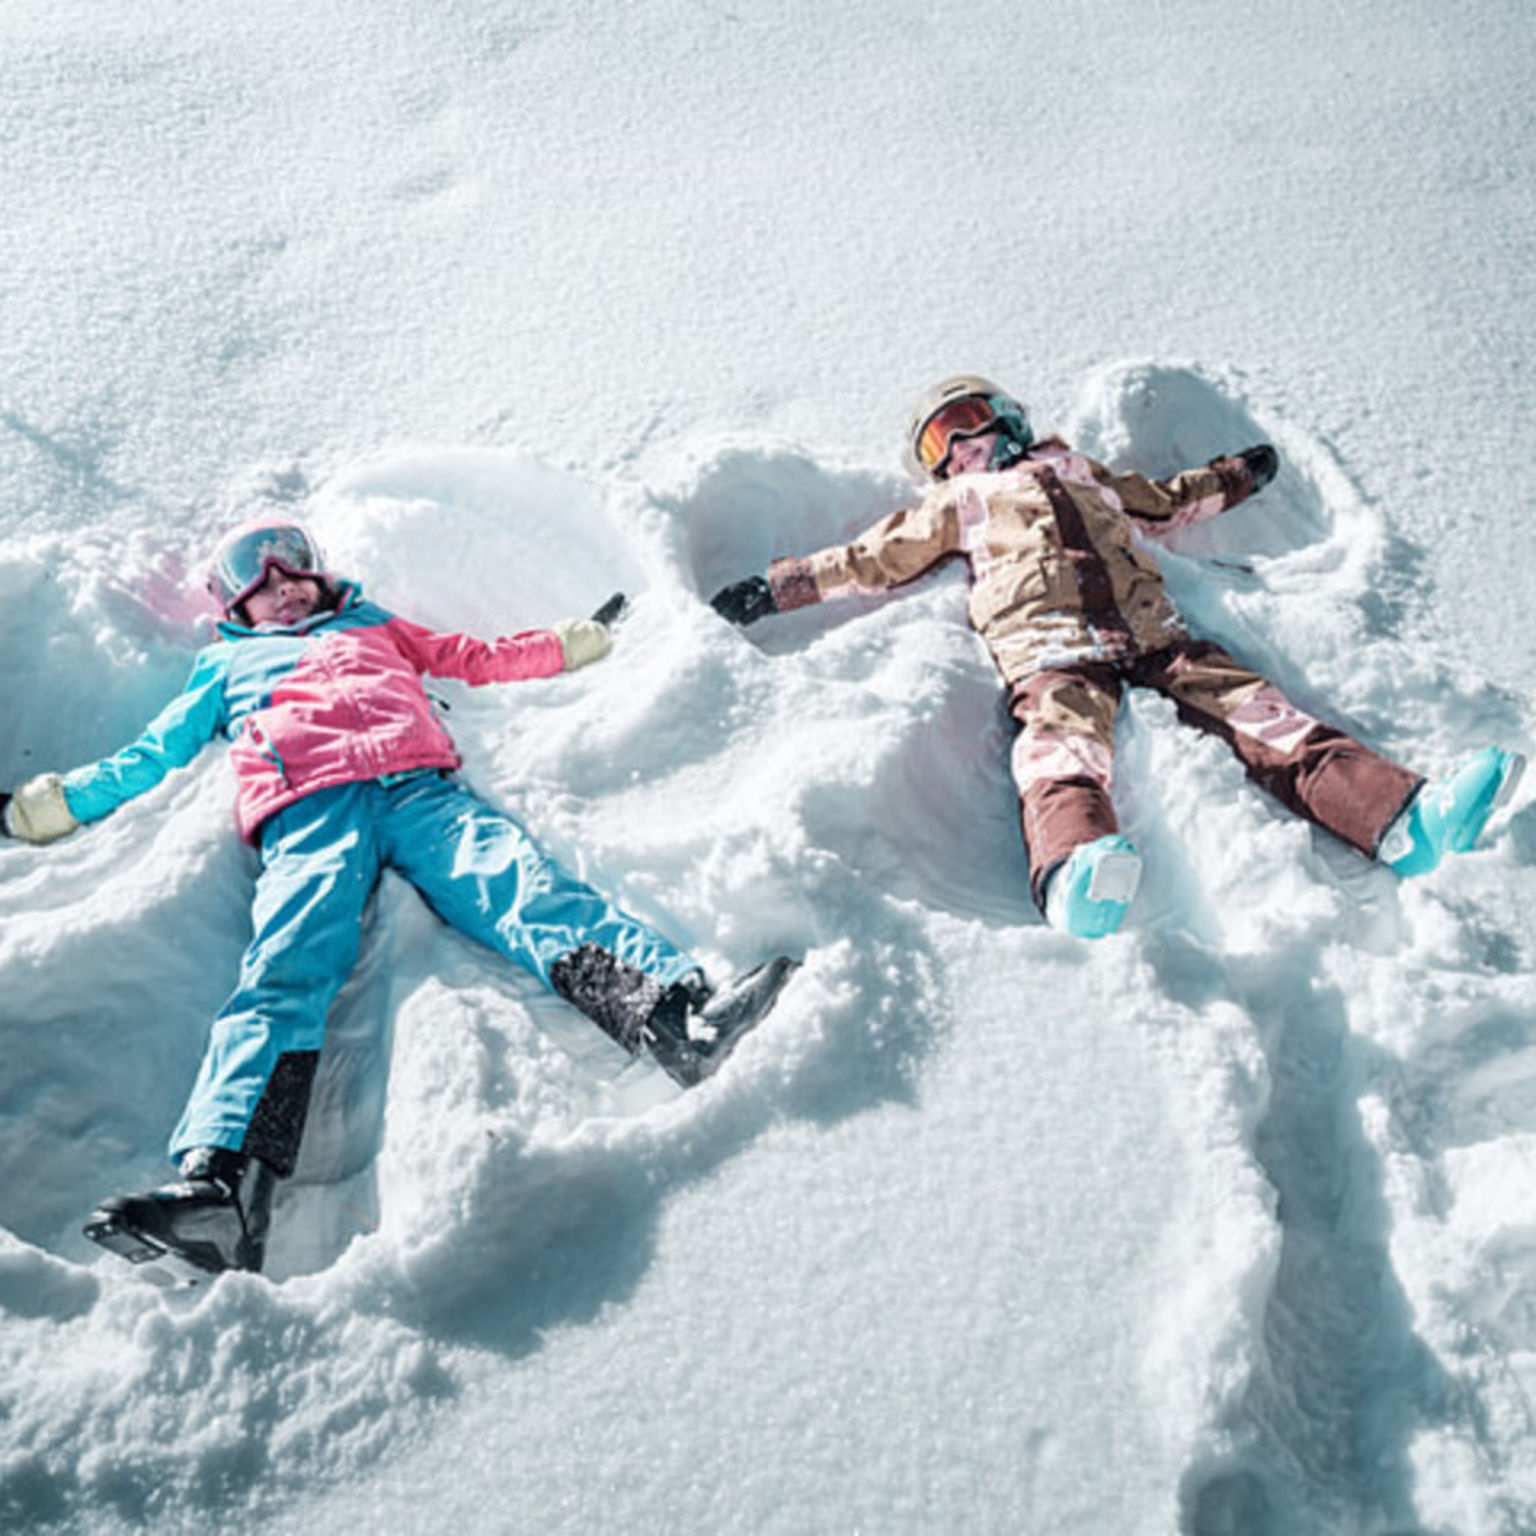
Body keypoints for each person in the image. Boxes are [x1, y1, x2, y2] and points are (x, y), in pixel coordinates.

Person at [0, 520, 794, 1277]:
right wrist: (49, 806)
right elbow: (147, 755)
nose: (281, 584)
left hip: (419, 792)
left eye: (291, 563)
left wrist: (571, 642)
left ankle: (671, 1017)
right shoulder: (222, 670)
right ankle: (226, 1187)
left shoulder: (373, 624)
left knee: (525, 888)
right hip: (309, 813)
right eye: (255, 576)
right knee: (287, 969)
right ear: (231, 605)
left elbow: (474, 656)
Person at [709, 375, 1524, 939]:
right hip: (1047, 646)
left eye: (968, 425)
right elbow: (869, 557)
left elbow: (1166, 501)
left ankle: (1402, 819)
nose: (960, 448)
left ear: (1007, 421)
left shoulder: (1081, 471)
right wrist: (776, 587)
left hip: (1152, 633)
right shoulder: (954, 504)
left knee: (1261, 713)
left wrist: (1237, 476)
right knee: (1061, 750)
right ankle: (1074, 870)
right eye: (940, 444)